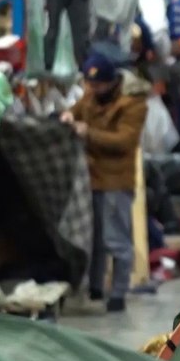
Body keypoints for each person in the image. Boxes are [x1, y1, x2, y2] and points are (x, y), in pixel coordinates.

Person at [62, 52, 150, 312]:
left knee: (116, 240)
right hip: (91, 179)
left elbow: (124, 141)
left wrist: (88, 132)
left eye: (98, 85)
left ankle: (119, 294)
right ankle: (96, 287)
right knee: (94, 239)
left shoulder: (133, 104)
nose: (93, 90)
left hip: (115, 181)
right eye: (90, 85)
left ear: (112, 82)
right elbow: (74, 111)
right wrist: (67, 116)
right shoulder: (90, 96)